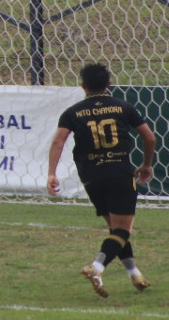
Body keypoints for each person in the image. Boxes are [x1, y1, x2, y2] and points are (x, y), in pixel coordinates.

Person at [47, 63, 157, 298]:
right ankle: (96, 267)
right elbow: (149, 138)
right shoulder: (122, 107)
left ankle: (134, 273)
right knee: (123, 229)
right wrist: (146, 164)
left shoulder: (72, 112)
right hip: (119, 173)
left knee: (116, 229)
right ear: (109, 84)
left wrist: (51, 173)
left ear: (83, 86)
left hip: (91, 178)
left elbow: (58, 142)